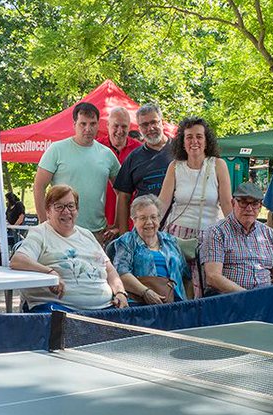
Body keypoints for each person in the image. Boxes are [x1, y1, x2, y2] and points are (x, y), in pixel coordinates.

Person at [10, 185, 129, 311]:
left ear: (77, 210)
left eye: (71, 206)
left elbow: (109, 270)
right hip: (60, 311)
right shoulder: (40, 233)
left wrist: (120, 293)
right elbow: (17, 260)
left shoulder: (87, 235)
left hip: (105, 309)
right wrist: (50, 273)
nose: (66, 211)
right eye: (59, 206)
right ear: (48, 211)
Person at [157, 116, 232, 294]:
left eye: (199, 136)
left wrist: (234, 236)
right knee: (177, 288)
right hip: (177, 237)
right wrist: (148, 231)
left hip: (209, 237)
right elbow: (162, 203)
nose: (194, 141)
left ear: (207, 141)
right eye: (189, 137)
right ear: (182, 142)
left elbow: (228, 204)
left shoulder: (218, 165)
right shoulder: (175, 167)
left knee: (208, 287)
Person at [33, 102, 121, 241]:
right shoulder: (57, 150)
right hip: (60, 230)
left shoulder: (107, 155)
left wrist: (117, 224)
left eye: (92, 124)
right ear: (74, 124)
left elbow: (122, 192)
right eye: (83, 124)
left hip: (96, 233)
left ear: (98, 125)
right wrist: (45, 223)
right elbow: (39, 186)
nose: (88, 128)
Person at [201, 182, 273, 293]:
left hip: (267, 299)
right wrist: (249, 297)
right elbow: (213, 277)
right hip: (232, 300)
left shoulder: (269, 233)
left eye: (255, 204)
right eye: (243, 202)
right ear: (233, 203)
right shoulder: (217, 232)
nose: (249, 208)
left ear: (260, 207)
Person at [110, 195, 191, 303]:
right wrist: (146, 292)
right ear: (134, 220)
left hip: (176, 305)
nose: (149, 222)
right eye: (143, 218)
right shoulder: (126, 241)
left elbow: (186, 276)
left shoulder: (170, 241)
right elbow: (121, 273)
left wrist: (189, 304)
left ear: (159, 218)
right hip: (141, 305)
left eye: (153, 217)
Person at [114, 102, 174, 233]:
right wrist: (124, 235)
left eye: (154, 122)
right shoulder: (133, 157)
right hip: (146, 229)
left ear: (162, 122)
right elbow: (123, 197)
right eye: (145, 125)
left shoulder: (180, 150)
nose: (150, 128)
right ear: (139, 128)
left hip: (177, 227)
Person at [97, 106, 140, 235]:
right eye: (116, 126)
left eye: (124, 126)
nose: (120, 131)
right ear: (107, 125)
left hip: (131, 225)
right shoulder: (95, 148)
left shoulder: (139, 151)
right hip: (99, 223)